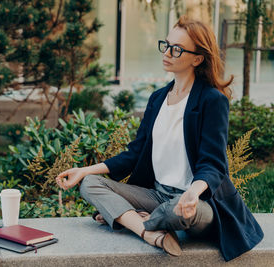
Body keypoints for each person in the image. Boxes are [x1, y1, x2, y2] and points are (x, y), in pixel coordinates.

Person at [55, 15, 263, 261]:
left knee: (178, 214)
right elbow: (134, 154)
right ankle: (148, 231)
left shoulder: (212, 100)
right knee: (90, 183)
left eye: (177, 49)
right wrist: (84, 170)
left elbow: (213, 164)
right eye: (166, 45)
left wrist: (193, 193)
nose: (167, 53)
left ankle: (128, 217)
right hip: (156, 195)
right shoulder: (157, 99)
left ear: (197, 59)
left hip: (196, 203)